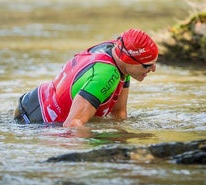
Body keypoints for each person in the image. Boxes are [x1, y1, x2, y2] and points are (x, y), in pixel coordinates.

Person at [13, 28, 158, 127]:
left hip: (34, 102)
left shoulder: (118, 52)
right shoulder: (105, 75)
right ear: (128, 60)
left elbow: (119, 114)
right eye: (146, 65)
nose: (153, 69)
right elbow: (72, 125)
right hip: (35, 122)